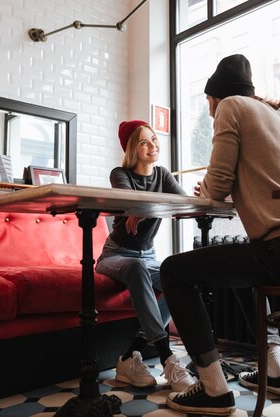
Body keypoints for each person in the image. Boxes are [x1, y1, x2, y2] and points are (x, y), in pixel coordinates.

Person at [161, 54, 280, 415]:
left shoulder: (231, 107)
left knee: (173, 270)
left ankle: (213, 388)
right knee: (242, 269)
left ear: (217, 95)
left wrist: (205, 189)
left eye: (209, 103)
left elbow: (218, 184)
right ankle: (276, 371)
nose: (210, 113)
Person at [95, 120, 196, 392]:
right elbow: (128, 197)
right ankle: (168, 360)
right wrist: (138, 206)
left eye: (153, 139)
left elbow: (184, 203)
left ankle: (130, 356)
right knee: (138, 267)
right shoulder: (120, 173)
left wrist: (144, 207)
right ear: (132, 149)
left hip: (147, 255)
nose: (153, 145)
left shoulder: (163, 175)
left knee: (181, 278)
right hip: (115, 255)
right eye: (143, 142)